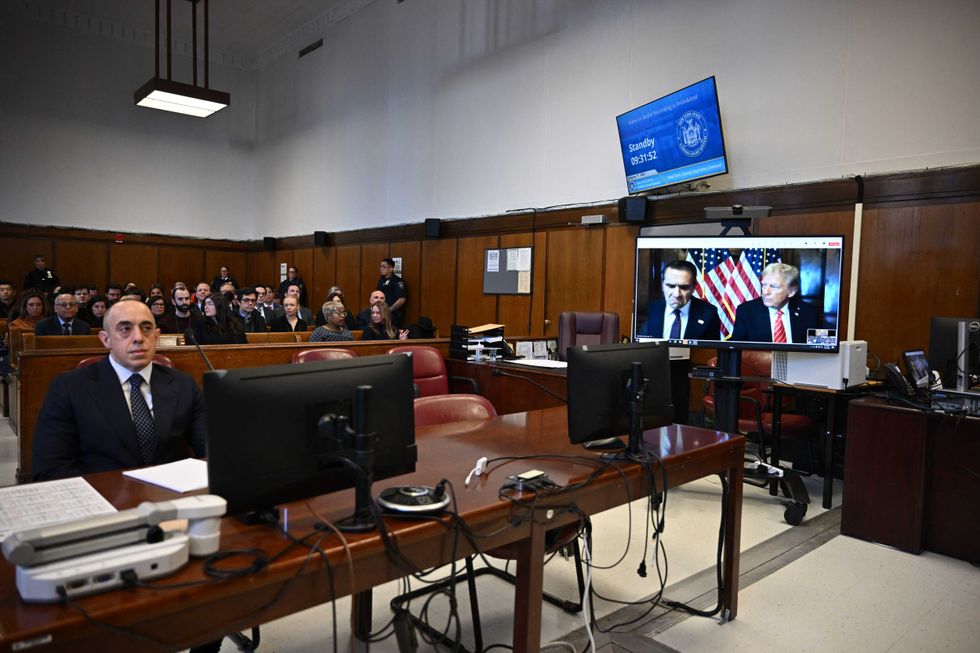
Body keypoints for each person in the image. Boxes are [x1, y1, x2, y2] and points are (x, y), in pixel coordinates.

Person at [31, 299, 207, 480]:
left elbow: (211, 450)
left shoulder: (184, 384)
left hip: (174, 497)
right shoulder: (69, 388)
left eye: (146, 328)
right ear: (105, 339)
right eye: (125, 329)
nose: (138, 337)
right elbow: (51, 469)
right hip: (105, 499)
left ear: (156, 337)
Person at [731, 262, 818, 344]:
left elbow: (817, 348)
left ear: (791, 292)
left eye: (774, 286)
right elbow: (737, 351)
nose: (765, 292)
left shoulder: (808, 312)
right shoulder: (746, 311)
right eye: (764, 285)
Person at [637, 260, 721, 340]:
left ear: (694, 287)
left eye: (684, 287)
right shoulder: (652, 308)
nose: (676, 294)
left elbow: (711, 351)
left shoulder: (709, 314)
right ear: (662, 285)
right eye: (670, 286)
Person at [376, 257, 407, 326]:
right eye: (380, 266)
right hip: (381, 313)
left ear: (391, 269)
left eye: (384, 267)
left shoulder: (397, 281)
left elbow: (402, 299)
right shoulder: (381, 280)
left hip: (393, 315)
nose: (381, 268)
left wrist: (389, 310)